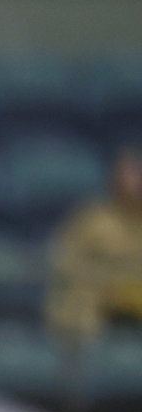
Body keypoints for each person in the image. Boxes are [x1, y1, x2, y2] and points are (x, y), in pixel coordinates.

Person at [47, 145, 142, 345]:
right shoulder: (91, 220)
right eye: (132, 174)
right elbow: (65, 266)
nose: (137, 181)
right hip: (98, 318)